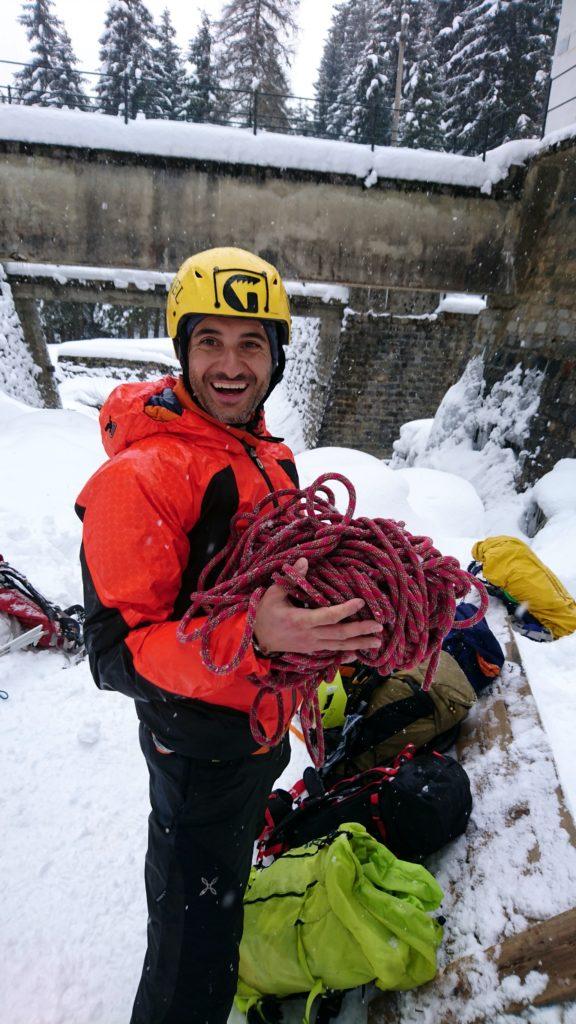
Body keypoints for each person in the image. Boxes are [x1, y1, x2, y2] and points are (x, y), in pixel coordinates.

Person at [76, 247, 383, 1024]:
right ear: (181, 350)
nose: (231, 364)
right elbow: (116, 655)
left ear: (277, 356)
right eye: (209, 340)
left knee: (216, 908)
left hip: (254, 737)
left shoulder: (263, 451)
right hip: (200, 751)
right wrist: (257, 640)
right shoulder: (141, 478)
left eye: (252, 343)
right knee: (192, 954)